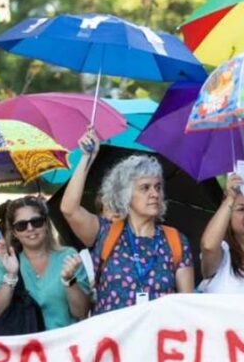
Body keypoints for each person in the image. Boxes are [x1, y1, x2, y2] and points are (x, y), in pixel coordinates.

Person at [62, 128, 194, 315]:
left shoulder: (176, 241)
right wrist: (87, 158)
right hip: (114, 342)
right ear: (125, 195)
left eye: (158, 187)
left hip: (157, 340)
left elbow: (187, 306)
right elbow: (69, 209)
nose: (155, 194)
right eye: (145, 188)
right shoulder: (106, 234)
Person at [0, 196, 92, 330]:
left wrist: (69, 281)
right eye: (21, 225)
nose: (30, 228)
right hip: (25, 347)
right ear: (14, 232)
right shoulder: (5, 262)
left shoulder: (68, 256)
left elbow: (81, 312)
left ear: (46, 224)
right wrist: (11, 276)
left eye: (36, 222)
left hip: (64, 344)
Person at [199, 174, 244, 294]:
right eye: (241, 209)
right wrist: (230, 198)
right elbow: (208, 247)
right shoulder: (223, 254)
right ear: (228, 220)